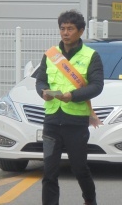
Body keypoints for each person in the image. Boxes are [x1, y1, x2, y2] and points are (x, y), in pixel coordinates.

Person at [36, 10, 104, 205]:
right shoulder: (51, 55)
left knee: (79, 169)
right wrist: (43, 91)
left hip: (75, 122)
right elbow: (40, 80)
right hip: (51, 120)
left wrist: (72, 96)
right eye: (62, 28)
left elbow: (96, 86)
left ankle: (90, 200)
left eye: (70, 29)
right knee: (49, 172)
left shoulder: (91, 56)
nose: (65, 33)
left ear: (81, 31)